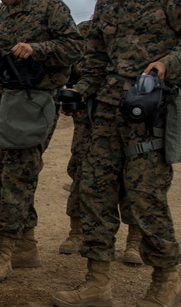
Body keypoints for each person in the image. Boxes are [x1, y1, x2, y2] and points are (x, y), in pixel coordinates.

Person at [51, 0, 181, 307]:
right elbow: (96, 58)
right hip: (106, 111)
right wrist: (78, 91)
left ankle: (166, 279)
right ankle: (98, 281)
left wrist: (165, 63)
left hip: (150, 109)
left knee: (145, 196)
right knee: (93, 190)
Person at [0, 0, 82, 282]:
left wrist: (38, 49)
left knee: (18, 173)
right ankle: (26, 247)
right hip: (9, 102)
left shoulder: (51, 7)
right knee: (8, 173)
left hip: (39, 100)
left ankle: (4, 252)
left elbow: (75, 47)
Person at [59, 21, 142, 265]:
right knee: (82, 174)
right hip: (89, 119)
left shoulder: (135, 31)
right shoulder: (84, 31)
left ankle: (134, 241)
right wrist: (71, 95)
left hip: (128, 115)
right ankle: (77, 232)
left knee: (132, 177)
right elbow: (71, 69)